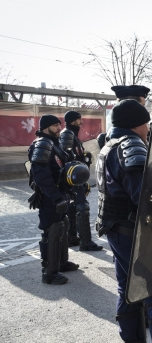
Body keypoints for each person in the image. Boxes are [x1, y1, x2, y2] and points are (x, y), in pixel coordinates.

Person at [95, 99, 152, 342]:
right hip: (135, 232)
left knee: (129, 292)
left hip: (118, 229)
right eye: (146, 123)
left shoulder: (109, 144)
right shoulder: (131, 145)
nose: (148, 129)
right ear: (136, 124)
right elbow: (145, 199)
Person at [28, 115, 80, 285]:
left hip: (60, 193)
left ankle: (61, 264)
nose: (59, 128)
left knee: (63, 226)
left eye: (59, 124)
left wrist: (69, 191)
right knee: (52, 231)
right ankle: (49, 272)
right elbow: (42, 176)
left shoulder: (54, 143)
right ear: (45, 127)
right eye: (55, 125)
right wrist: (56, 198)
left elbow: (62, 170)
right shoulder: (42, 143)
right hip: (50, 197)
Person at [59, 110, 103, 252]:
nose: (81, 122)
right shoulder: (67, 134)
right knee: (82, 207)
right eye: (79, 120)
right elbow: (66, 156)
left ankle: (72, 238)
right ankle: (86, 242)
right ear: (72, 121)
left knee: (72, 207)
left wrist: (84, 158)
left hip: (75, 178)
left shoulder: (72, 135)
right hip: (72, 179)